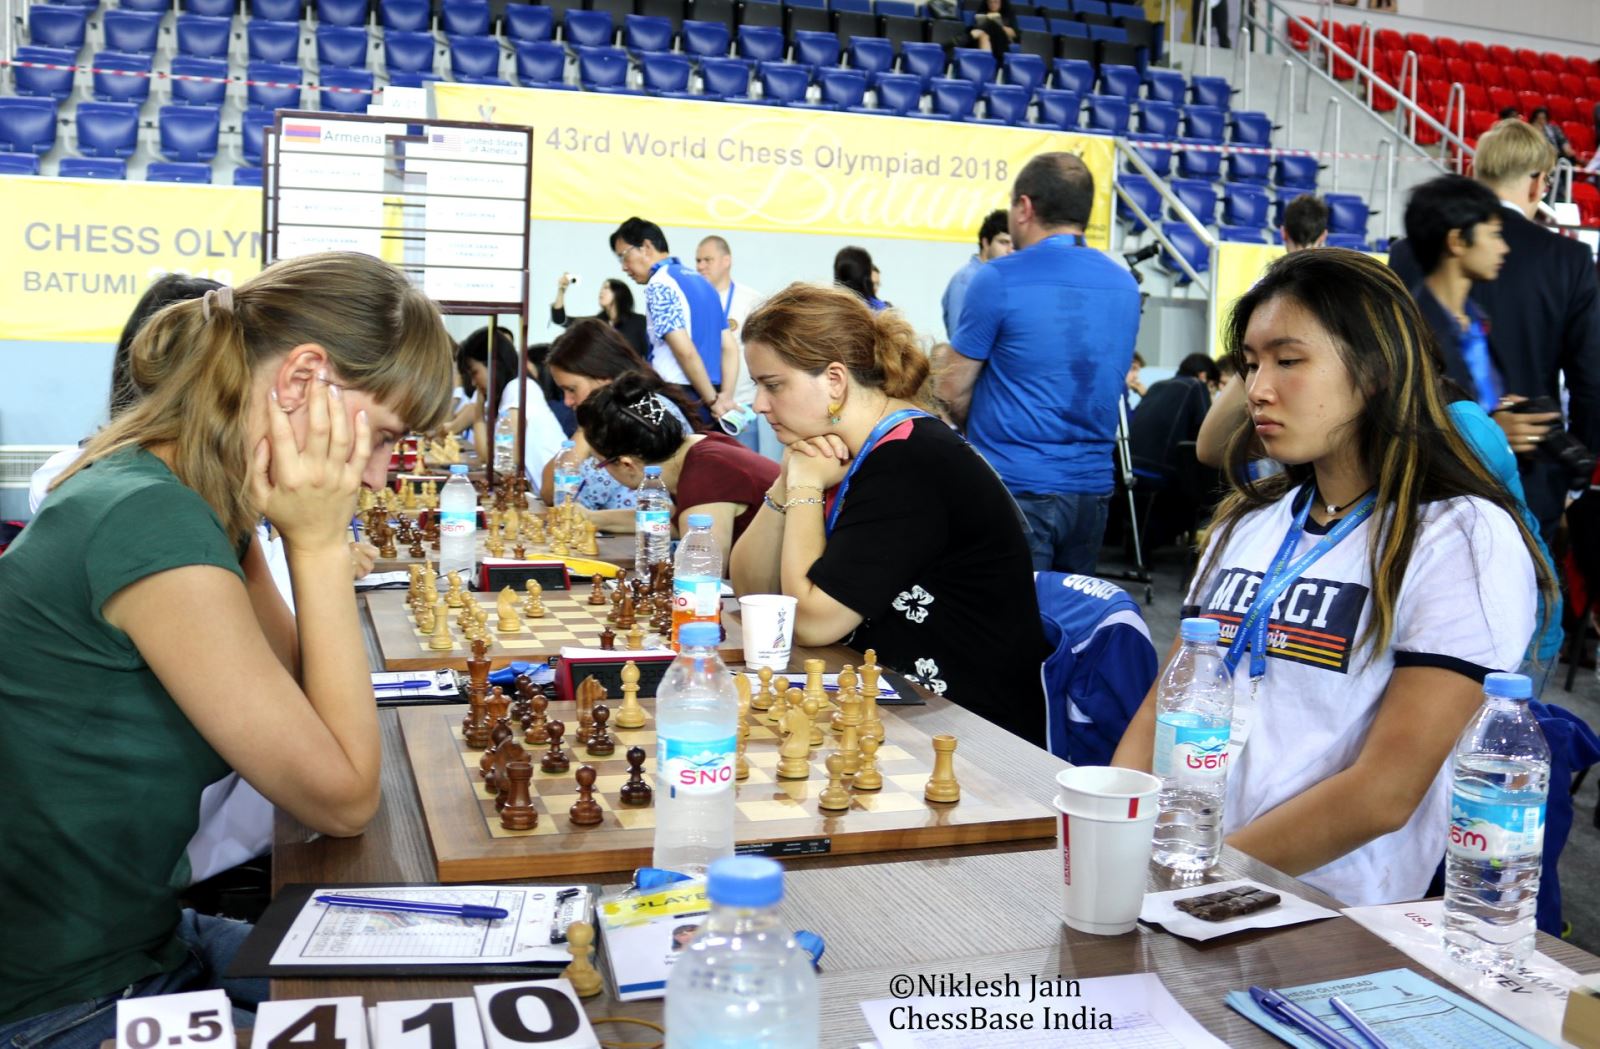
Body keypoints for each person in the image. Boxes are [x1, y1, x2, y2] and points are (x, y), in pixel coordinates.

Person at [0, 252, 456, 1043]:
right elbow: (340, 797)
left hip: (150, 940)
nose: (382, 475)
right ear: (302, 376)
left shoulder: (186, 497)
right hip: (61, 997)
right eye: (384, 437)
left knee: (453, 977)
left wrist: (289, 530)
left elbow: (311, 714)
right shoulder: (147, 519)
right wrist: (317, 543)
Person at [1111, 248, 1553, 907]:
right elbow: (1163, 705)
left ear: (1375, 370)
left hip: (1320, 914)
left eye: (1289, 361)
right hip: (1177, 880)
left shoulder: (1459, 536)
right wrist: (1116, 835)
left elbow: (1384, 791)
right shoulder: (1247, 521)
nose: (1258, 389)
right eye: (1252, 363)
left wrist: (1202, 876)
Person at [730, 283, 1049, 746]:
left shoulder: (909, 460)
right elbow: (753, 594)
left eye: (772, 384)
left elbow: (812, 623)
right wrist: (787, 481)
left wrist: (802, 484)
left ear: (835, 380)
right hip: (890, 698)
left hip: (967, 732)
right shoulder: (844, 452)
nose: (758, 404)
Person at [1389, 118, 1600, 547]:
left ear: (1478, 176)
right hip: (1530, 475)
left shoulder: (1406, 252)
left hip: (1425, 475)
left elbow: (1391, 369)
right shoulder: (1569, 259)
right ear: (1540, 182)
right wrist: (1572, 474)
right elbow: (1591, 384)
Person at [942, 151, 1142, 575]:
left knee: (1006, 627)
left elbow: (951, 389)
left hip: (1015, 486)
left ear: (1024, 207)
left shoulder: (996, 278)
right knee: (1068, 625)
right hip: (1091, 491)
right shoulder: (1124, 286)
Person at [1403, 173, 1565, 690]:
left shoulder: (1477, 320)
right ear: (1457, 242)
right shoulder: (1411, 331)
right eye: (1494, 233)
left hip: (1505, 539)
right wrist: (1486, 429)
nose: (1503, 247)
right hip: (1458, 569)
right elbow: (1426, 425)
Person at [576, 370, 778, 560]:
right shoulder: (695, 448)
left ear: (627, 464)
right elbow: (673, 521)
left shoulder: (706, 472)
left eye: (598, 462)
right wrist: (592, 518)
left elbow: (700, 575)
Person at [540, 318, 696, 532]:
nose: (567, 401)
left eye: (572, 389)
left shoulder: (643, 415)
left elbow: (554, 494)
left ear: (603, 378)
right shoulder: (601, 423)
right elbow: (551, 493)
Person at [610, 216, 738, 424]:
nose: (624, 267)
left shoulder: (660, 284)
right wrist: (725, 397)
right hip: (711, 392)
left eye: (624, 256)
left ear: (646, 247)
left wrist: (713, 401)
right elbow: (730, 347)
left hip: (678, 395)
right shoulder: (703, 283)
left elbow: (684, 350)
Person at [450, 326, 566, 497]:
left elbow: (504, 461)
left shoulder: (516, 390)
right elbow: (489, 458)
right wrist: (479, 409)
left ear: (493, 365)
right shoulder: (512, 391)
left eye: (475, 373)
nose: (474, 382)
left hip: (561, 495)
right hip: (546, 494)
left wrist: (478, 411)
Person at [695, 234, 778, 458]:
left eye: (707, 260)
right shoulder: (694, 300)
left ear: (726, 260)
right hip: (707, 404)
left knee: (749, 466)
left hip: (743, 407)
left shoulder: (750, 300)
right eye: (698, 261)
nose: (701, 266)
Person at [941, 208, 1014, 339]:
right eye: (1004, 242)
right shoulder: (966, 280)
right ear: (986, 243)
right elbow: (959, 337)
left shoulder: (1002, 279)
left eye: (1013, 245)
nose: (1010, 250)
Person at [551, 274, 649, 360]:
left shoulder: (639, 321)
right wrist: (561, 291)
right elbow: (560, 320)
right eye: (602, 288)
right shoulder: (596, 323)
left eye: (606, 288)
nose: (601, 292)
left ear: (619, 293)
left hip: (632, 377)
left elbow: (648, 353)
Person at [833, 246, 888, 311]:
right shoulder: (882, 310)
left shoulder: (827, 306)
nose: (875, 288)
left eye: (877, 284)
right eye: (873, 283)